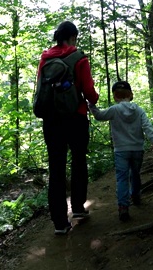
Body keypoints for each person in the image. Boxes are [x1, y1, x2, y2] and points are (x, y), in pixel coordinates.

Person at [37, 21, 99, 235]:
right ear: (72, 37)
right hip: (76, 116)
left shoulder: (45, 58)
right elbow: (88, 89)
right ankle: (79, 208)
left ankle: (60, 222)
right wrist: (94, 99)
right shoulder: (78, 57)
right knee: (79, 160)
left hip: (51, 120)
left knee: (56, 168)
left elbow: (41, 89)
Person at [88, 81, 153, 221]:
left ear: (115, 96)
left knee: (122, 178)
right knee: (135, 174)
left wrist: (91, 105)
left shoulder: (114, 110)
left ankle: (123, 207)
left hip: (121, 150)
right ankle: (136, 196)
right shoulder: (139, 110)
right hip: (138, 149)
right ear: (131, 95)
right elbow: (147, 126)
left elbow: (99, 116)